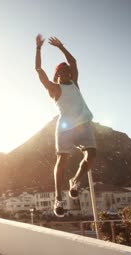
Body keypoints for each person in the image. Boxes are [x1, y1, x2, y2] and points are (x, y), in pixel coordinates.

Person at [35, 34, 97, 217]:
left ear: (70, 74)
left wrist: (61, 47)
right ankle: (58, 199)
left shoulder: (75, 84)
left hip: (83, 124)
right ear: (57, 76)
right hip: (65, 128)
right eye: (60, 72)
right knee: (62, 159)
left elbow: (74, 61)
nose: (64, 74)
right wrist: (38, 48)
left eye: (66, 71)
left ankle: (75, 181)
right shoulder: (54, 89)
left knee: (92, 154)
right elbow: (38, 69)